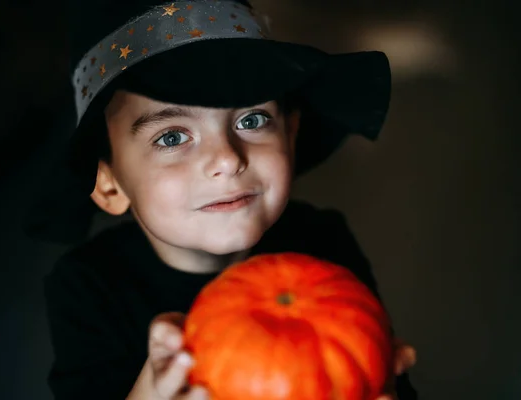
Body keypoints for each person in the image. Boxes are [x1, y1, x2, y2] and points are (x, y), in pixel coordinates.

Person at [25, 0, 418, 399]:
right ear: (109, 186)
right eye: (172, 137)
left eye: (251, 120)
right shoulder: (87, 288)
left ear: (291, 135)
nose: (228, 160)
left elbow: (373, 370)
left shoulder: (324, 243)